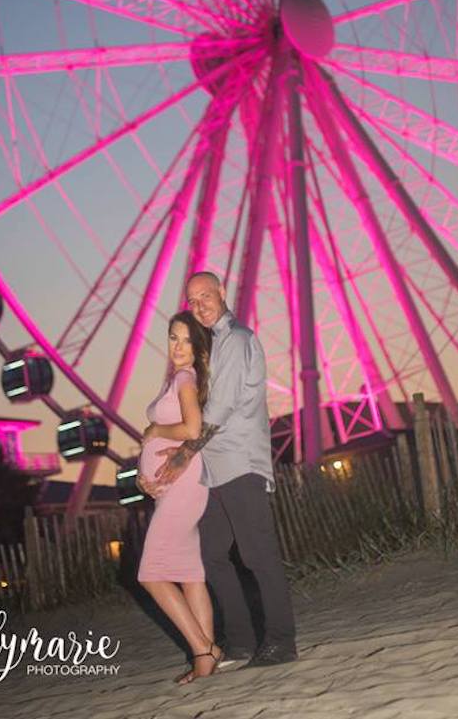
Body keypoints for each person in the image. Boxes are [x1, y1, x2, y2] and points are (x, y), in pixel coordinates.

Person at [153, 271, 298, 668]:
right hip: (215, 470)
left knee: (258, 555)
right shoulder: (211, 346)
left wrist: (184, 452)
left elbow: (220, 408)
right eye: (192, 300)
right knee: (209, 555)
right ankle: (241, 642)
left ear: (221, 292)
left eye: (205, 296)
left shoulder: (236, 340)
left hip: (240, 463)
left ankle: (282, 641)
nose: (199, 305)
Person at [135, 310, 224, 684]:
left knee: (151, 574)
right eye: (173, 337)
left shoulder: (186, 378)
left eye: (187, 339)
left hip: (184, 485)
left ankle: (202, 650)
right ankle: (208, 654)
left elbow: (191, 428)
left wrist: (155, 428)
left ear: (200, 345)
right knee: (189, 574)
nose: (179, 346)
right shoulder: (180, 379)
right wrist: (143, 477)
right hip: (174, 486)